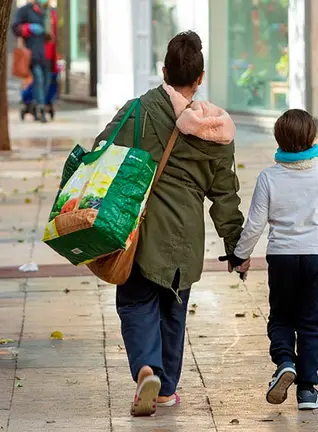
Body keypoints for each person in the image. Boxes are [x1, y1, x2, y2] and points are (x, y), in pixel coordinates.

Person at [94, 31, 244, 417]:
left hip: (141, 231)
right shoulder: (217, 129)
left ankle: (146, 369)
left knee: (136, 302)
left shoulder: (140, 110)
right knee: (174, 309)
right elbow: (224, 193)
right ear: (200, 77)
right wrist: (235, 246)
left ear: (164, 71)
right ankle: (166, 390)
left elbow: (102, 152)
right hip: (186, 236)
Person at [220, 109, 318, 410]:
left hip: (281, 258)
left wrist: (240, 255)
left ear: (278, 139)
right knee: (314, 321)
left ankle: (284, 361)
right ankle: (307, 389)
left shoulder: (269, 177)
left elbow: (255, 224)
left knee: (281, 315)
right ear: (312, 138)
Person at [13, 0, 59, 123]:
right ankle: (41, 109)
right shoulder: (26, 10)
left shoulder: (51, 12)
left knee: (47, 82)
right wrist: (29, 28)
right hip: (33, 53)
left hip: (48, 55)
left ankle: (38, 104)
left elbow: (55, 34)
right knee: (38, 80)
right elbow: (15, 28)